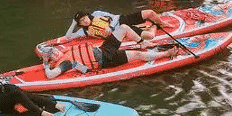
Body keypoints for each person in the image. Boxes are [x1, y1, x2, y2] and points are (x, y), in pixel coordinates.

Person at [39, 33, 178, 79]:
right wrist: (45, 63)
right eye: (51, 54)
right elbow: (51, 75)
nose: (55, 52)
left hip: (103, 49)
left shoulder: (66, 51)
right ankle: (167, 53)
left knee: (123, 28)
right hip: (105, 59)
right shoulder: (65, 62)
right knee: (137, 55)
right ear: (50, 59)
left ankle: (143, 42)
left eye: (53, 49)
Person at [64, 9, 163, 42]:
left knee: (149, 12)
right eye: (81, 21)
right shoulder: (84, 31)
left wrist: (110, 27)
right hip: (120, 32)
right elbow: (68, 36)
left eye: (84, 18)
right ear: (80, 24)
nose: (85, 21)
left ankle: (163, 23)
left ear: (87, 15)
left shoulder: (96, 13)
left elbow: (113, 17)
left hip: (121, 20)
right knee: (150, 36)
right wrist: (73, 23)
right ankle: (154, 26)